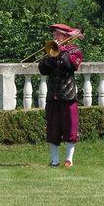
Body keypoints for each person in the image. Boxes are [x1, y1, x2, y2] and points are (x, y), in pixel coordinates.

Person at [38, 23, 84, 167]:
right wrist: (51, 55)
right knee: (52, 128)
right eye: (54, 35)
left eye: (58, 35)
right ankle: (55, 160)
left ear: (66, 37)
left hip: (68, 96)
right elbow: (43, 69)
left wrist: (61, 51)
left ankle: (69, 160)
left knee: (70, 128)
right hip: (53, 95)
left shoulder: (74, 50)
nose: (55, 38)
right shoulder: (50, 49)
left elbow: (69, 65)